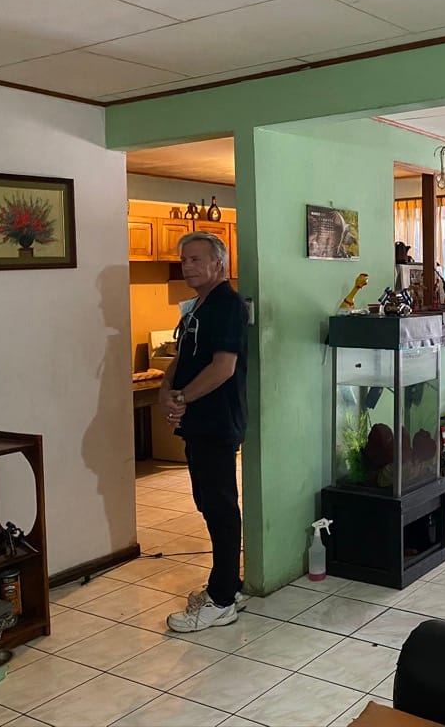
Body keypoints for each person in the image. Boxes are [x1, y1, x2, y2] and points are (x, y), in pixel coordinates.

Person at [160, 231, 248, 632]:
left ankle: (222, 599)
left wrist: (182, 398)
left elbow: (223, 368)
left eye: (196, 259)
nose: (188, 266)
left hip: (217, 420)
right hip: (198, 422)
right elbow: (182, 357)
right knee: (207, 502)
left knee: (220, 506)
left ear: (219, 263)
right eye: (184, 260)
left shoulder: (227, 306)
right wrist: (166, 390)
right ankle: (227, 585)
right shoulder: (197, 307)